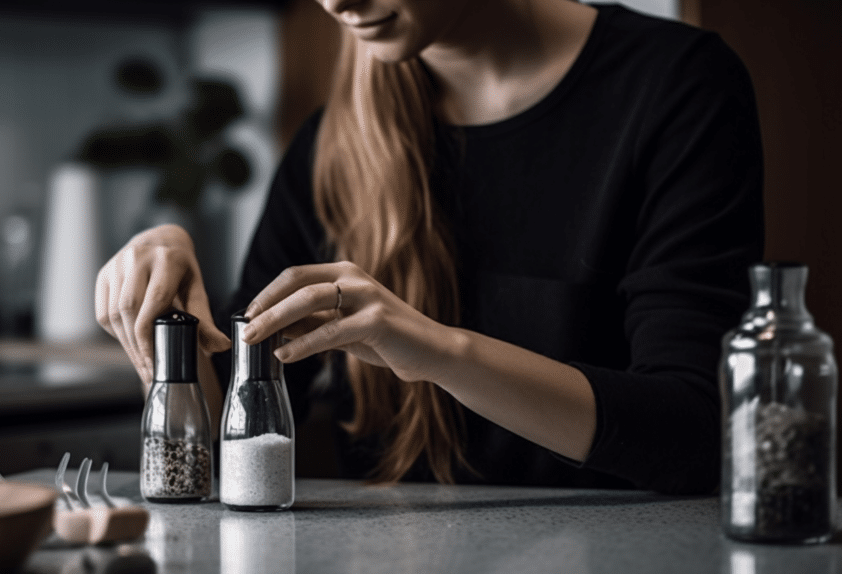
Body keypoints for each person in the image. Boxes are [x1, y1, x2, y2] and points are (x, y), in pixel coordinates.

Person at [95, 0, 764, 495]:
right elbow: (228, 448)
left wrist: (436, 350)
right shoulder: (331, 145)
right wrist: (168, 306)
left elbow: (694, 435)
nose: (337, 4)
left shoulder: (677, 84)